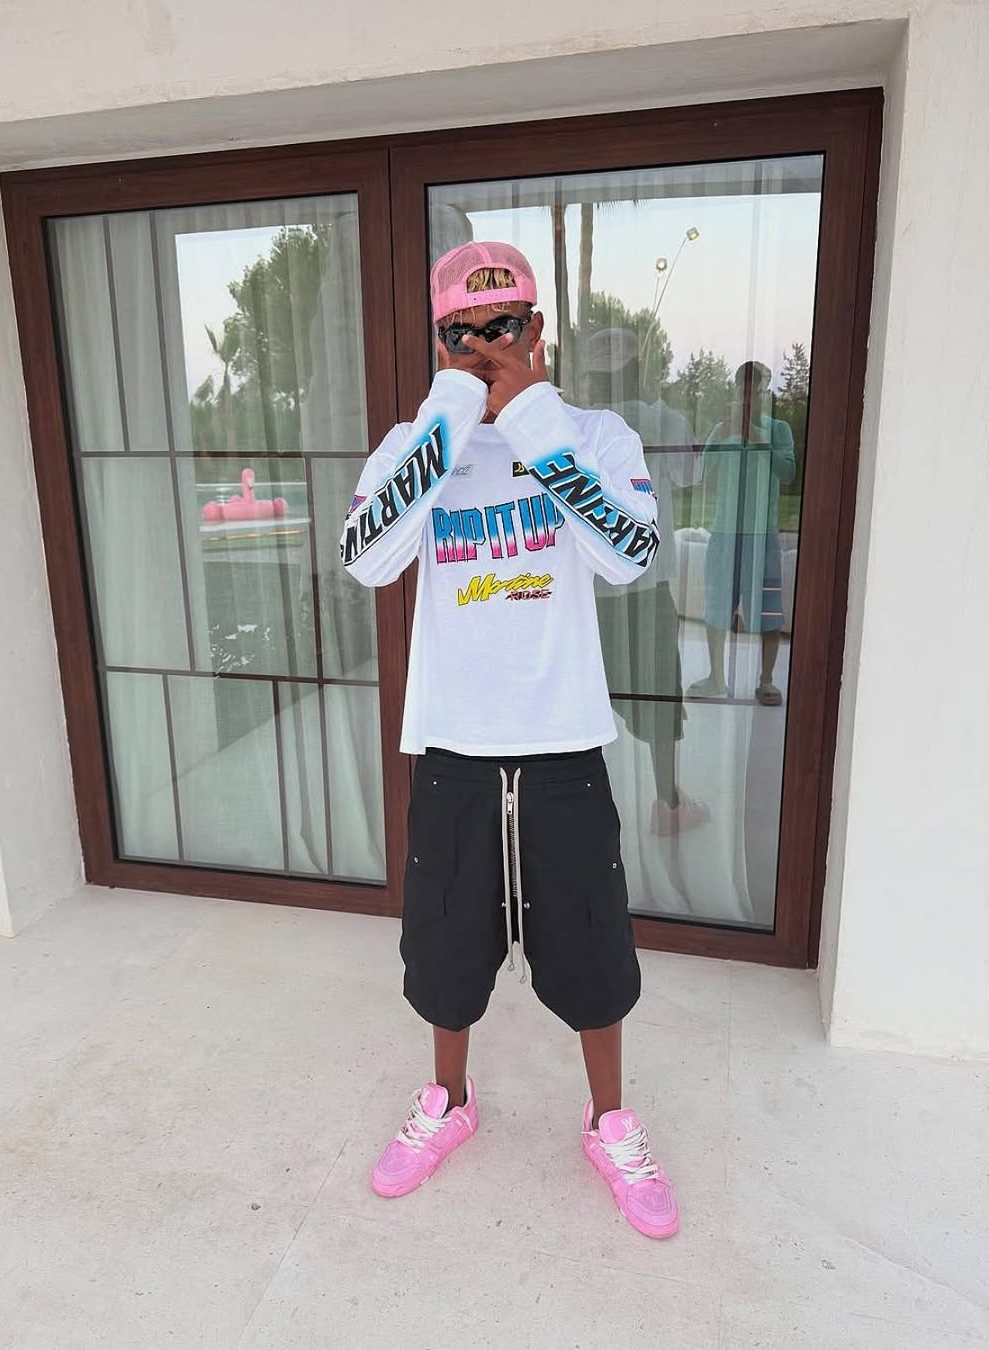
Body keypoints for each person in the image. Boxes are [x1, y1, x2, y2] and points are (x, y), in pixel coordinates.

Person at [339, 241, 679, 1239]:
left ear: (538, 330)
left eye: (505, 326)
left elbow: (629, 554)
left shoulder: (594, 434)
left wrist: (531, 418)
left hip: (562, 741)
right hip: (454, 743)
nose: (487, 345)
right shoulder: (417, 444)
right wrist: (449, 413)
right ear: (438, 339)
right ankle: (449, 1101)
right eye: (464, 332)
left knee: (592, 947)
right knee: (446, 947)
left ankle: (610, 1121)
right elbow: (367, 558)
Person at [584, 327, 711, 836]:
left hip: (589, 593)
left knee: (588, 699)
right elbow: (692, 475)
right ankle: (668, 805)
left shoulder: (576, 425)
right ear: (637, 369)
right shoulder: (664, 420)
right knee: (659, 698)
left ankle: (585, 809)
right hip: (650, 586)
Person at [687, 361, 796, 706]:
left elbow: (789, 472)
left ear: (765, 392)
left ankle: (767, 681)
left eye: (755, 390)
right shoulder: (723, 428)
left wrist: (757, 437)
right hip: (724, 533)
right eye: (743, 389)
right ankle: (716, 677)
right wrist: (721, 439)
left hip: (763, 536)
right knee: (717, 606)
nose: (749, 396)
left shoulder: (778, 430)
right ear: (736, 390)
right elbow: (700, 475)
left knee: (769, 609)